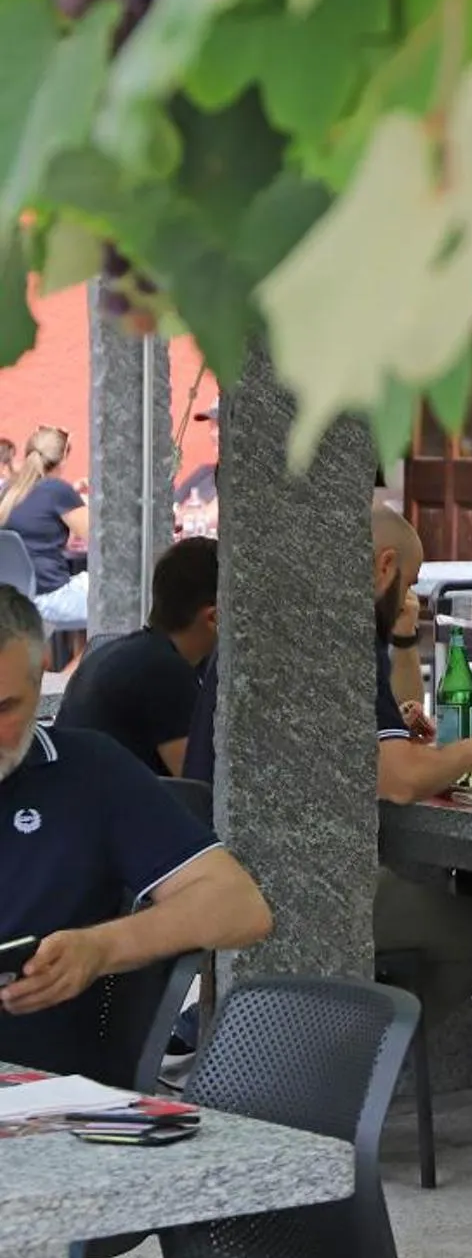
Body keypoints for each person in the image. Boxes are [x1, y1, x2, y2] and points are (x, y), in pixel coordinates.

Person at [0, 584, 273, 1078]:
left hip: (44, 1097)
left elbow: (239, 905)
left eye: (3, 709)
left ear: (42, 681)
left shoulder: (88, 773)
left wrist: (100, 949)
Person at [364, 507, 472, 1020]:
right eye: (405, 582)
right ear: (385, 566)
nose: (405, 598)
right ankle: (369, 1045)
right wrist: (469, 753)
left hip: (237, 865)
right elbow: (402, 781)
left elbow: (388, 745)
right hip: (324, 884)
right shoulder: (348, 644)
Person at [52, 537, 220, 777]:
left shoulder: (115, 651)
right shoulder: (165, 672)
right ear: (212, 618)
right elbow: (199, 785)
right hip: (101, 809)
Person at [0, 425, 88, 632]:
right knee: (123, 600)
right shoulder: (58, 490)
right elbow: (101, 540)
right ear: (63, 459)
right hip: (50, 599)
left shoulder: (8, 491)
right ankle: (78, 665)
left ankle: (73, 663)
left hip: (15, 600)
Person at [174, 402, 219, 538]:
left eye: (220, 425)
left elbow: (211, 517)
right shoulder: (203, 472)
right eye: (212, 425)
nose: (213, 433)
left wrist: (184, 514)